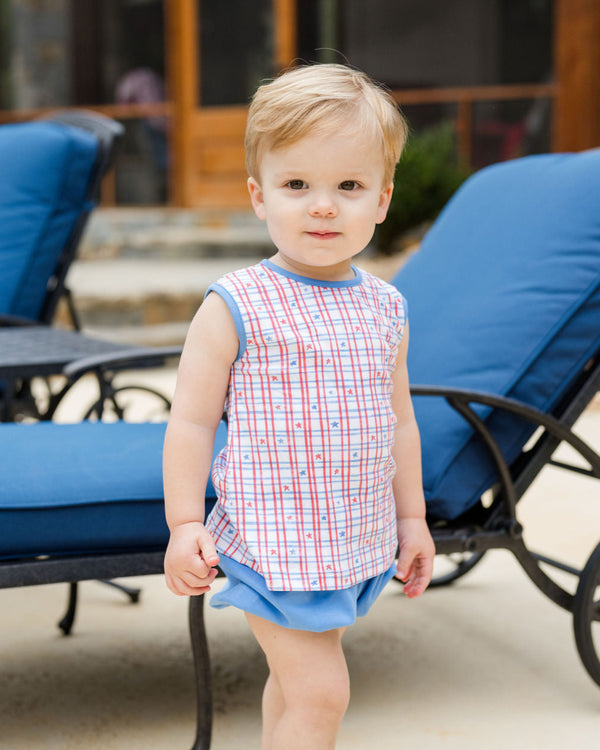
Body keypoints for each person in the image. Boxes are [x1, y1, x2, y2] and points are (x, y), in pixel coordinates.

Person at [163, 63, 435, 750]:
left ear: (382, 199)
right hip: (271, 539)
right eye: (297, 185)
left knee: (292, 685)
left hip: (349, 537)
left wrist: (413, 519)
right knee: (323, 695)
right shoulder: (236, 304)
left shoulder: (386, 307)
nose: (323, 206)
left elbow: (399, 421)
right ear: (259, 196)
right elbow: (192, 421)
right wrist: (184, 521)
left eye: (348, 186)